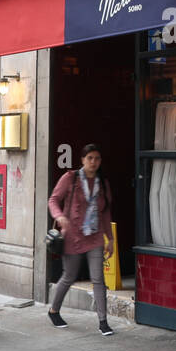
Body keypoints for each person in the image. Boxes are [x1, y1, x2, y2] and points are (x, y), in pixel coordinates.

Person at [47, 143, 116, 336]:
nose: (93, 162)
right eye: (90, 158)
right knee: (69, 276)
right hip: (73, 236)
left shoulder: (102, 183)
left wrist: (109, 238)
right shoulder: (71, 178)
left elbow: (105, 212)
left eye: (97, 159)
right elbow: (53, 199)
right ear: (82, 160)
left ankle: (103, 322)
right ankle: (54, 310)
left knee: (98, 279)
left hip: (94, 236)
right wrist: (59, 216)